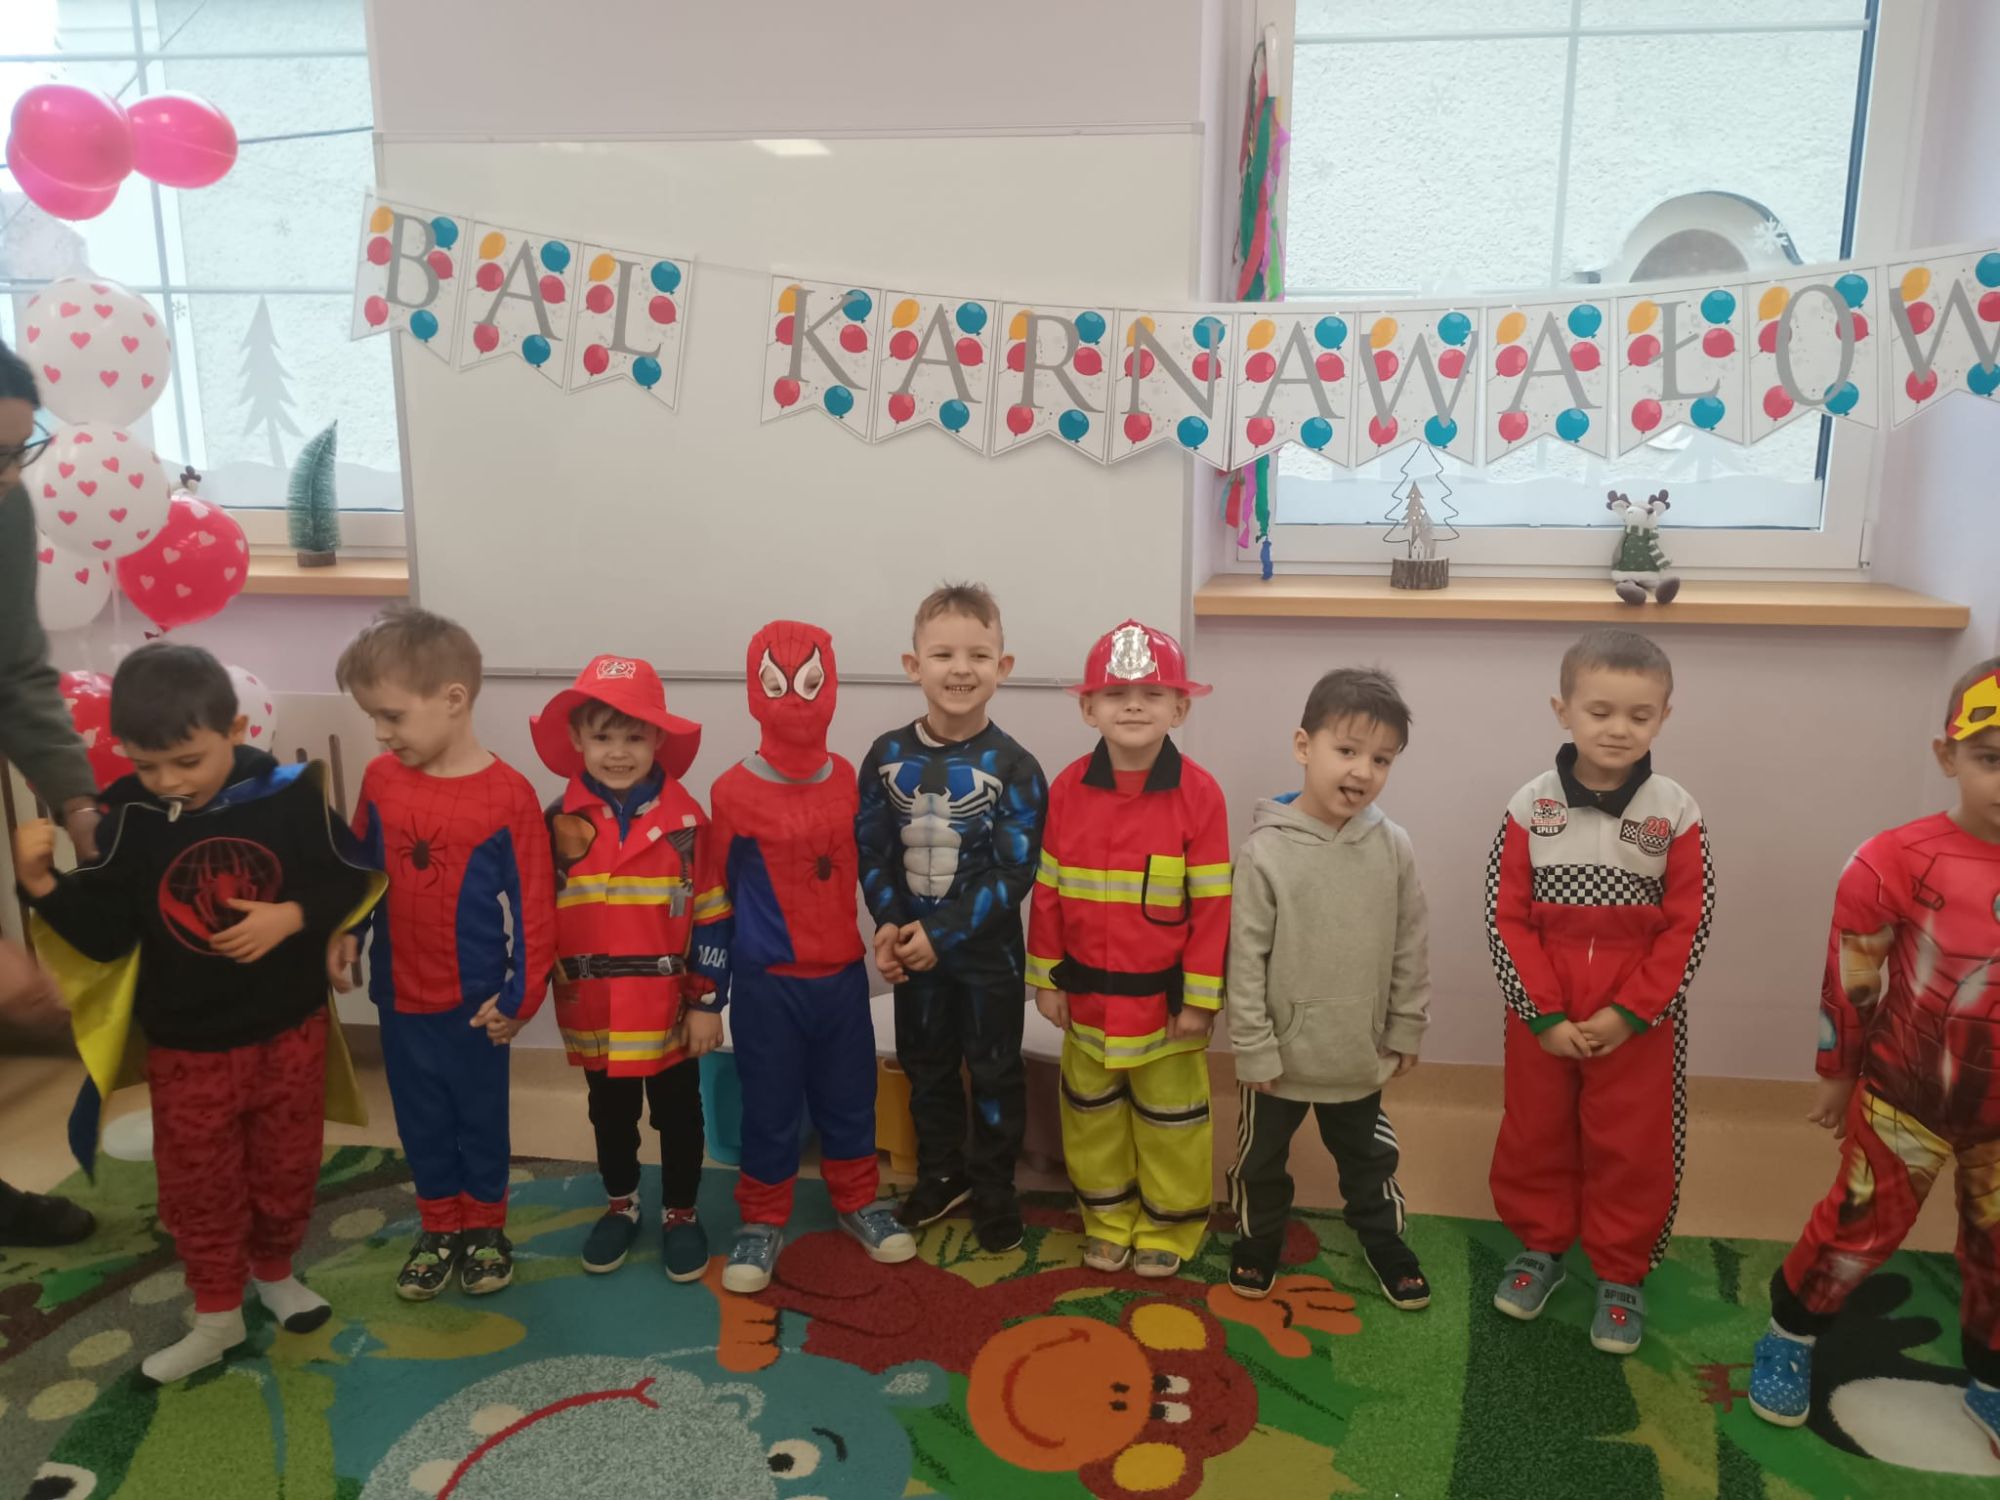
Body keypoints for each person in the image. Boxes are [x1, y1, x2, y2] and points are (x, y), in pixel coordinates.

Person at [16, 643, 379, 1382]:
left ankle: (276, 1276)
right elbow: (107, 936)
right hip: (190, 1048)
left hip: (290, 1030)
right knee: (200, 1183)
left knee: (286, 1166)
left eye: (187, 760)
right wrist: (42, 885)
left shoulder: (287, 796)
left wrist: (293, 916)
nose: (169, 781)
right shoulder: (129, 817)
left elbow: (348, 878)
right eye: (147, 765)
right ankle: (216, 1314)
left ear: (236, 729)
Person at [1749, 657, 2000, 1445]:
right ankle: (1790, 1334)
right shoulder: (1891, 860)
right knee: (1858, 1229)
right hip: (1904, 1098)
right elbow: (1852, 980)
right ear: (1947, 756)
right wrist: (1837, 1074)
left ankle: (1991, 1375)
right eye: (1992, 758)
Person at [1486, 627, 1713, 1355]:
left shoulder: (1676, 810)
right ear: (1563, 711)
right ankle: (1541, 1246)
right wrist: (1542, 1014)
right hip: (1542, 1015)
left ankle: (1620, 1271)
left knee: (1632, 1145)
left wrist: (1630, 1013)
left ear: (1663, 718)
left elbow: (1689, 926)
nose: (1618, 729)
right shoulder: (1529, 806)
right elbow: (1505, 918)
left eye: (1639, 715)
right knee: (1536, 1132)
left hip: (1637, 1023)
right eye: (1600, 711)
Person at [333, 607, 555, 1299]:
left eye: (392, 715)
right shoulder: (380, 780)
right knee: (421, 1120)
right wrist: (348, 933)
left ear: (453, 699)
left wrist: (522, 996)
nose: (380, 732)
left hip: (476, 1003)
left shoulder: (509, 796)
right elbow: (362, 871)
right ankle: (438, 1228)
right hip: (399, 997)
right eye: (373, 717)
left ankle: (485, 1229)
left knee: (480, 1120)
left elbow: (536, 906)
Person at [699, 621, 915, 1293]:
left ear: (833, 686)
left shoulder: (849, 779)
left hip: (842, 978)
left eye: (810, 683)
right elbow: (714, 896)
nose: (795, 699)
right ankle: (762, 1218)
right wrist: (707, 994)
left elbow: (873, 867)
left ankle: (857, 1200)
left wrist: (892, 928)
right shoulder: (732, 792)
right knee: (768, 1106)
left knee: (850, 1097)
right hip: (767, 984)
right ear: (753, 690)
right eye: (776, 684)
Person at [1027, 619, 1231, 1278]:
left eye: (1152, 694)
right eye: (1116, 694)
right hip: (1086, 1005)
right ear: (1089, 709)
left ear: (1181, 708)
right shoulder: (1065, 790)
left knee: (1172, 1122)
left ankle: (1170, 1227)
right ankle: (1108, 1222)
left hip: (1167, 1012)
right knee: (1092, 1120)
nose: (1134, 706)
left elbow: (1213, 910)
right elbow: (1048, 893)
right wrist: (1046, 983)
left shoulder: (1201, 796)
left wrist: (1200, 1001)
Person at [1224, 668, 1432, 1309]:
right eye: (1347, 750)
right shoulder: (1264, 852)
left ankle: (1385, 1241)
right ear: (1303, 745)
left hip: (1357, 1049)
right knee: (1260, 1161)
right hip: (1279, 1058)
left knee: (1369, 1160)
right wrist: (1253, 1047)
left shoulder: (1392, 846)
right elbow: (1246, 959)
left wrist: (1405, 1026)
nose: (1362, 771)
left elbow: (1410, 942)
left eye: (1382, 759)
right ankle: (1258, 1241)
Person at [856, 583, 1046, 1252]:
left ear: (1003, 666)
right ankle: (941, 1173)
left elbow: (1013, 872)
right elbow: (873, 851)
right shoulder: (885, 757)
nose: (960, 669)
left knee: (995, 1070)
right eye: (942, 655)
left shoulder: (1017, 767)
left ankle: (994, 1185)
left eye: (978, 655)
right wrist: (888, 923)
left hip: (989, 957)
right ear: (914, 666)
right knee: (926, 1065)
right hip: (912, 949)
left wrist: (941, 933)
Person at [530, 654, 720, 1281]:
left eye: (634, 737)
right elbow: (537, 912)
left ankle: (682, 1213)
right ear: (577, 739)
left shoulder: (689, 826)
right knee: (609, 1114)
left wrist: (706, 1003)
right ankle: (621, 1204)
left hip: (669, 1010)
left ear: (658, 740)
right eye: (603, 736)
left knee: (679, 1114)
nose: (618, 752)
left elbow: (713, 917)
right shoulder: (556, 822)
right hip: (594, 1008)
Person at [0, 337, 103, 1249]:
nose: (9, 475)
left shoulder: (6, 503)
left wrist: (80, 804)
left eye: (19, 450)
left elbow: (18, 674)